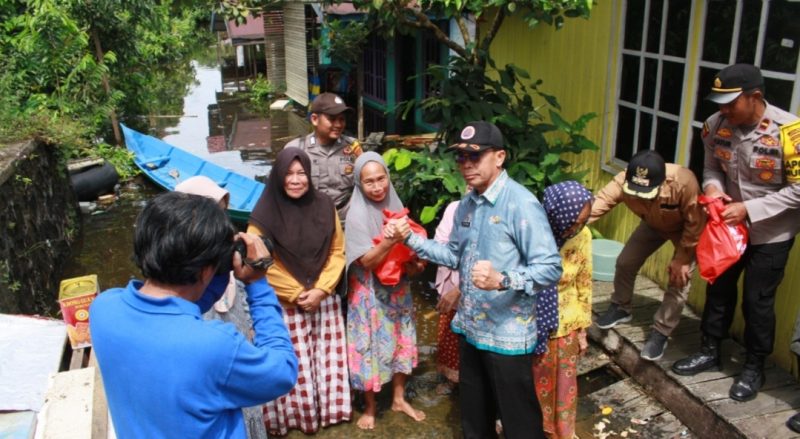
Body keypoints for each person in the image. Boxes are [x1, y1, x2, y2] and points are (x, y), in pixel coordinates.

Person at [391, 121, 562, 439]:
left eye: (475, 156)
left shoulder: (521, 203)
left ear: (499, 157)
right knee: (474, 420)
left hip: (507, 338)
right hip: (470, 330)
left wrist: (503, 279)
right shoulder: (466, 204)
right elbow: (454, 255)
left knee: (520, 424)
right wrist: (410, 240)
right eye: (461, 158)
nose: (466, 165)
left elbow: (551, 268)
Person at [90, 191, 298, 438]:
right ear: (205, 271)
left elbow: (175, 317)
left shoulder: (104, 308)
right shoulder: (216, 345)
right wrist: (258, 283)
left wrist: (213, 272)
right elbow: (282, 371)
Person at [671, 64, 800, 402]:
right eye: (719, 103)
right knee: (718, 290)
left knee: (758, 303)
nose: (722, 110)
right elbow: (712, 166)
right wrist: (713, 190)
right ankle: (709, 349)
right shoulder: (716, 126)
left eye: (730, 103)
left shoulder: (790, 131)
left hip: (770, 234)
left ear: (755, 97)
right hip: (726, 230)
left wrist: (750, 209)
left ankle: (753, 367)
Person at [246, 147, 351, 435]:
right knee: (294, 363)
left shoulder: (324, 205)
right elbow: (259, 262)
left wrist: (320, 289)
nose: (295, 180)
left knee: (327, 360)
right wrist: (298, 292)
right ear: (278, 177)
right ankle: (296, 418)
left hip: (323, 299)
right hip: (285, 304)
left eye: (301, 173)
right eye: (289, 174)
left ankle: (329, 412)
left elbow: (337, 251)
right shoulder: (263, 216)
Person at [175, 176, 268, 439]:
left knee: (246, 402)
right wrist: (259, 282)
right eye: (214, 212)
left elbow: (238, 301)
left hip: (233, 332)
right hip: (212, 349)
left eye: (223, 212)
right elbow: (279, 373)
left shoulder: (224, 254)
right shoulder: (183, 272)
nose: (221, 221)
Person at [591, 149, 704, 361]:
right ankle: (621, 307)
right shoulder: (622, 180)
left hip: (684, 231)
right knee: (625, 261)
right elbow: (599, 204)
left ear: (661, 183)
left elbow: (695, 222)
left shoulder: (684, 182)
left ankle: (661, 332)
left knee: (679, 278)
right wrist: (571, 226)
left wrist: (683, 258)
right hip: (652, 224)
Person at [344, 151, 426, 430]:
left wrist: (416, 262)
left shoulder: (395, 202)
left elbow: (410, 246)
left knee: (402, 336)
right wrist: (391, 240)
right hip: (368, 292)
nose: (377, 187)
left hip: (397, 286)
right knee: (368, 345)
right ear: (359, 183)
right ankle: (369, 406)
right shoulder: (355, 215)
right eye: (369, 182)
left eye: (381, 179)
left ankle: (399, 398)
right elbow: (366, 261)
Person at [532, 181, 594, 439]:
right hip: (532, 323)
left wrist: (582, 331)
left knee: (565, 385)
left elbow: (584, 282)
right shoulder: (533, 233)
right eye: (573, 222)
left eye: (583, 221)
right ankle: (533, 427)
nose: (576, 228)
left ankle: (562, 432)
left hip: (567, 321)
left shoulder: (582, 237)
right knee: (535, 381)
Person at [286, 92, 362, 218]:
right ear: (315, 119)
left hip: (347, 219)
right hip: (309, 219)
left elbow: (366, 181)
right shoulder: (295, 150)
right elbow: (280, 189)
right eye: (332, 119)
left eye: (342, 119)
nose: (338, 125)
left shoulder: (353, 147)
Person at [433, 200, 461, 394]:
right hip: (451, 279)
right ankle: (452, 379)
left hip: (479, 290)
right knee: (450, 336)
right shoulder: (454, 208)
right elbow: (439, 242)